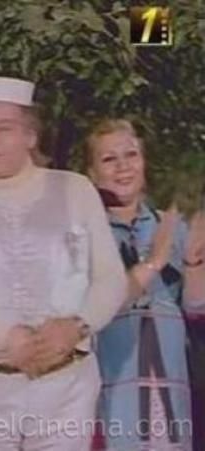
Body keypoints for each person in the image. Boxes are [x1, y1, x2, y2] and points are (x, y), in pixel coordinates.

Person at [0, 76, 128, 450]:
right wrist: (4, 336)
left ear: (30, 135)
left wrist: (78, 326)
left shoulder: (74, 189)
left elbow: (111, 277)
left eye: (3, 129)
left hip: (66, 386)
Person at [85, 119, 205, 450]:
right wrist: (155, 260)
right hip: (112, 385)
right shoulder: (85, 233)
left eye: (131, 155)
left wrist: (194, 262)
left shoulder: (171, 225)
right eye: (109, 159)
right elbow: (97, 306)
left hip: (170, 386)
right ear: (92, 173)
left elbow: (195, 307)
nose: (123, 166)